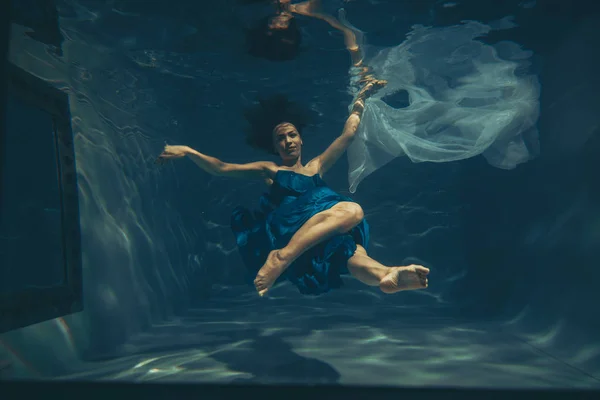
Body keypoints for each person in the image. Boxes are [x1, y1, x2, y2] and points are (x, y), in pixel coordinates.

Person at [156, 84, 430, 297]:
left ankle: (387, 274)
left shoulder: (317, 165)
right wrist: (189, 151)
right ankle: (281, 257)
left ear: (300, 138)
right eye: (280, 138)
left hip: (325, 227)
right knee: (353, 209)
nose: (287, 141)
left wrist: (361, 99)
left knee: (351, 252)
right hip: (292, 229)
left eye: (292, 135)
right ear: (275, 147)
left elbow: (348, 135)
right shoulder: (271, 170)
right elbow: (222, 168)